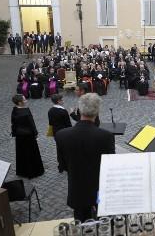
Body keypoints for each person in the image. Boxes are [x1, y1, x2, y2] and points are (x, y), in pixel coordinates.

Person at [56, 93, 115, 221]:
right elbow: (110, 166)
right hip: (99, 189)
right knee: (103, 221)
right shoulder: (106, 136)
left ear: (79, 109)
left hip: (77, 188)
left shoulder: (61, 135)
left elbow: (62, 165)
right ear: (97, 111)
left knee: (81, 222)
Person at [10, 94, 44, 179]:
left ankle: (23, 171)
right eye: (24, 100)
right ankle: (34, 171)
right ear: (20, 102)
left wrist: (14, 133)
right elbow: (32, 124)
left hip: (19, 136)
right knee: (31, 153)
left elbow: (13, 124)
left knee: (22, 154)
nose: (26, 101)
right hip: (29, 136)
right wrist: (35, 133)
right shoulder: (26, 111)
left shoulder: (14, 110)